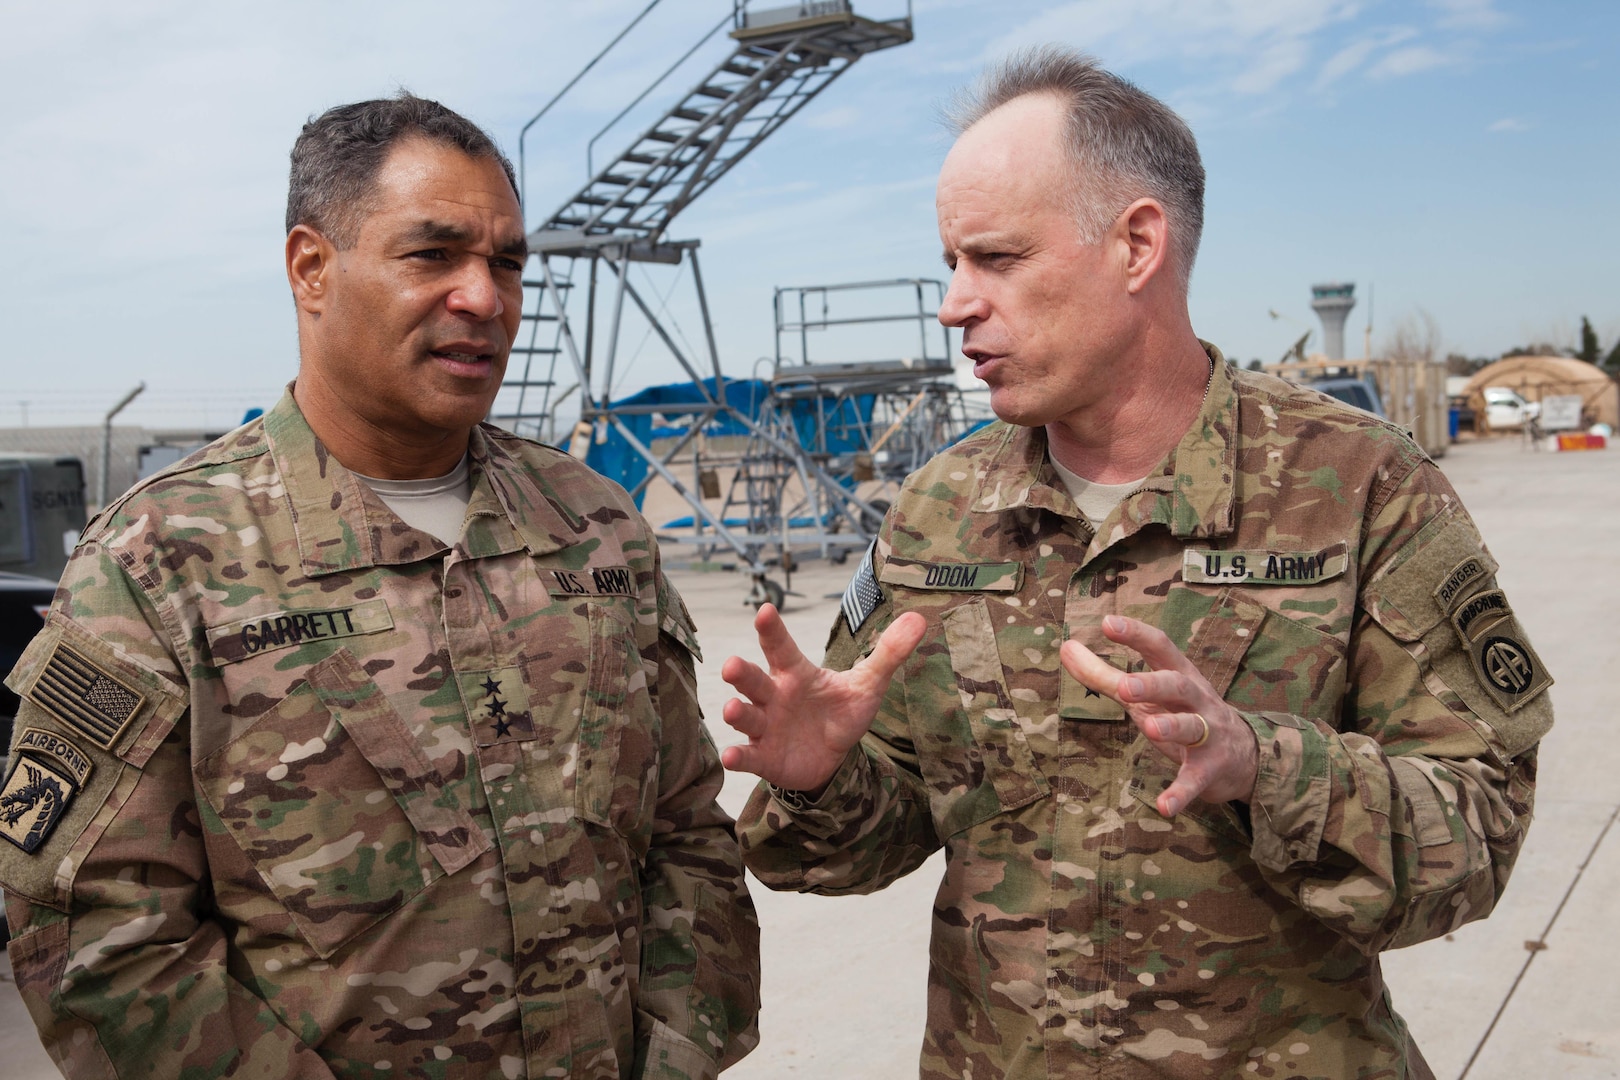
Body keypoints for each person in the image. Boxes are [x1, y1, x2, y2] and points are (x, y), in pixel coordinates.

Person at [719, 48, 1551, 1079]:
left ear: (1136, 245)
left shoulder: (1364, 484)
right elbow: (863, 843)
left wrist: (1261, 766)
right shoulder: (939, 512)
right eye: (950, 262)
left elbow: (1477, 836)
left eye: (997, 259)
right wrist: (822, 780)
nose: (954, 305)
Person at [0, 93, 759, 1079]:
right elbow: (95, 932)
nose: (485, 298)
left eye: (507, 262)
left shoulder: (596, 526)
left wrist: (677, 1050)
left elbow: (687, 831)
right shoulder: (160, 563)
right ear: (311, 268)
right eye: (433, 255)